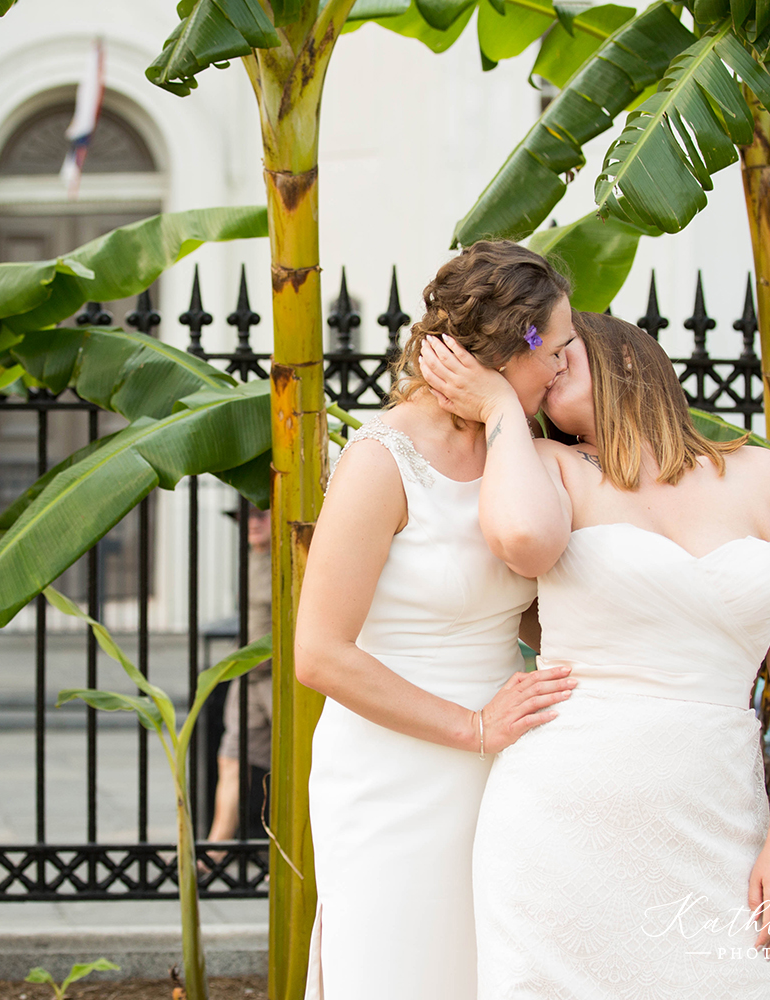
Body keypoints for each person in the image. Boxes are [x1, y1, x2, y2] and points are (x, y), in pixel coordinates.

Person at [421, 312, 770, 998]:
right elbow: (522, 538)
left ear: (629, 359)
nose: (547, 368)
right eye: (538, 363)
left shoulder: (762, 476)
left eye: (563, 352)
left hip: (718, 817)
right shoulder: (550, 467)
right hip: (559, 823)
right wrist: (498, 406)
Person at [294, 241, 581, 1000]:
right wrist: (471, 728)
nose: (562, 367)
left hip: (507, 761)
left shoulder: (516, 447)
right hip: (395, 770)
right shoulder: (381, 459)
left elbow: (535, 610)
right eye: (554, 349)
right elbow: (318, 653)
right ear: (506, 347)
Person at [207, 506, 273, 848]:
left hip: (282, 678)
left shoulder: (291, 558)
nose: (252, 523)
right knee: (231, 757)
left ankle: (294, 856)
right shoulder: (249, 558)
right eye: (245, 517)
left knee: (299, 762)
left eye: (261, 515)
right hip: (247, 678)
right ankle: (215, 850)